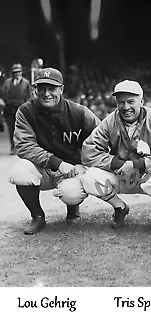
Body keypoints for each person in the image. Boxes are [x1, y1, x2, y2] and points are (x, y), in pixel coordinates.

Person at [9, 67, 101, 234]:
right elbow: (24, 145)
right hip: (42, 168)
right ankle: (37, 216)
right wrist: (57, 163)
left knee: (71, 193)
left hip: (71, 170)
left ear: (62, 89)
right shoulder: (26, 111)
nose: (46, 93)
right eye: (42, 88)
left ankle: (73, 208)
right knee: (20, 172)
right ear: (35, 89)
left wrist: (84, 164)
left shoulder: (78, 112)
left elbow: (101, 138)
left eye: (52, 88)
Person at [80, 80, 151, 229]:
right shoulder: (110, 121)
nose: (126, 107)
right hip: (120, 174)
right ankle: (120, 207)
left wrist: (138, 164)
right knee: (89, 179)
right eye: (121, 102)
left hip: (148, 176)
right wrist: (117, 163)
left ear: (141, 101)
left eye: (131, 101)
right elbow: (89, 151)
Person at [1, 63, 31, 155]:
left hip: (20, 109)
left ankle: (21, 146)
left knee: (20, 129)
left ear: (21, 72)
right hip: (9, 109)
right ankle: (13, 147)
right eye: (15, 72)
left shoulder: (26, 83)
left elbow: (28, 97)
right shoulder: (7, 82)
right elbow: (3, 94)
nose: (17, 74)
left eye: (18, 72)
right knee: (11, 129)